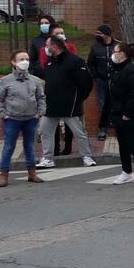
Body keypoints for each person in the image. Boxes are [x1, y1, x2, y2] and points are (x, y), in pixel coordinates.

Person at [36, 35, 97, 169]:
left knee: (79, 132)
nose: (45, 48)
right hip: (51, 105)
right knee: (46, 132)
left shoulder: (75, 61)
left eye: (47, 45)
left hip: (70, 105)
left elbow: (86, 83)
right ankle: (47, 158)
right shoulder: (49, 63)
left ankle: (86, 156)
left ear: (55, 46)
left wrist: (78, 98)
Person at [0, 50, 45, 187]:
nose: (25, 62)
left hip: (31, 118)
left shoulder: (35, 80)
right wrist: (2, 114)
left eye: (26, 59)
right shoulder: (5, 80)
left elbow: (41, 97)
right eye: (21, 59)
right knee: (9, 147)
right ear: (13, 62)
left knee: (30, 147)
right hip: (12, 119)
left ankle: (32, 173)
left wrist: (40, 112)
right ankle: (4, 175)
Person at [107, 42, 134, 187]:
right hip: (118, 113)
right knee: (122, 144)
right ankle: (126, 171)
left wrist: (128, 113)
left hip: (133, 115)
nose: (113, 53)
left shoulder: (132, 70)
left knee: (132, 144)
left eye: (115, 51)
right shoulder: (116, 69)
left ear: (122, 54)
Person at [87, 24, 117, 141]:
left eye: (99, 33)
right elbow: (90, 63)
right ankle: (103, 129)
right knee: (102, 103)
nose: (96, 35)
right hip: (102, 80)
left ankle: (117, 126)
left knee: (118, 102)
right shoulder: (96, 47)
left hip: (116, 80)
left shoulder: (117, 45)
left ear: (106, 34)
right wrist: (96, 76)